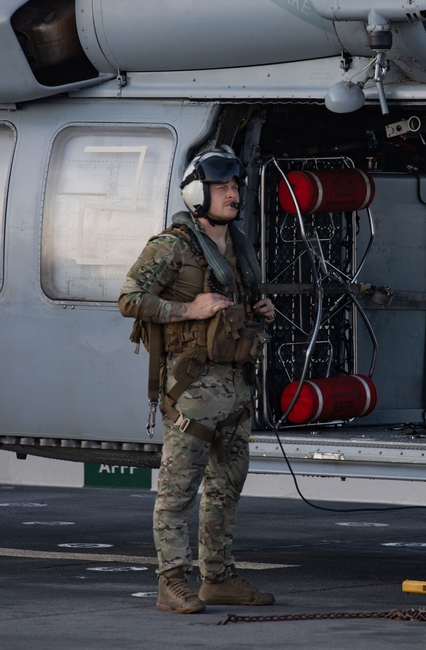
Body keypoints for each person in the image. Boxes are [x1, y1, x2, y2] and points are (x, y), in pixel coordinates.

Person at [119, 146, 277, 613]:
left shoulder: (239, 246)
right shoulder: (172, 245)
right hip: (191, 388)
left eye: (236, 186)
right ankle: (172, 581)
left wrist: (257, 310)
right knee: (178, 487)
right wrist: (190, 309)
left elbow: (233, 308)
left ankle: (218, 576)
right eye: (223, 187)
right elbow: (130, 298)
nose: (233, 193)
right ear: (197, 193)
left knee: (227, 486)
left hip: (235, 386)